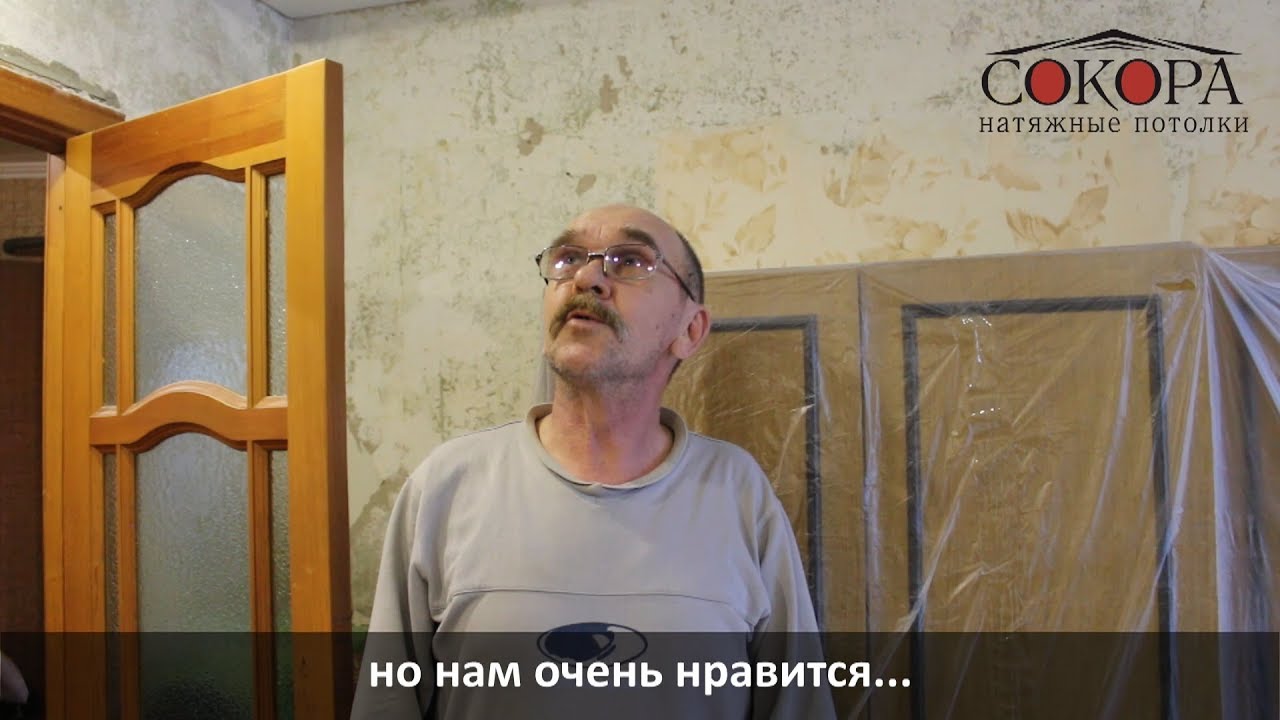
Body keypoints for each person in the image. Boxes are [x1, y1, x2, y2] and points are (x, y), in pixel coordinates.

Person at [353, 205, 833, 719]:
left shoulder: (737, 494)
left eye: (631, 261)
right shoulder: (447, 486)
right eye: (568, 258)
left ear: (690, 330)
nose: (587, 278)